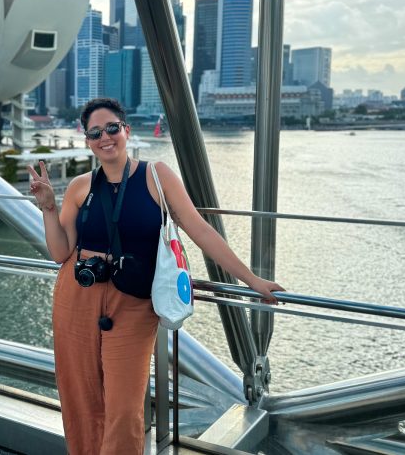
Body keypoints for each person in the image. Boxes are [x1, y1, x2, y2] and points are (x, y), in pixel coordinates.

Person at [28, 97, 284, 454]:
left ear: (126, 130)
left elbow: (201, 230)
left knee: (124, 407)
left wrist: (250, 279)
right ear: (87, 140)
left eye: (112, 128)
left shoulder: (156, 176)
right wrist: (48, 208)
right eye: (95, 132)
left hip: (133, 302)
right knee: (80, 398)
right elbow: (60, 252)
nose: (105, 137)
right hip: (77, 295)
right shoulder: (80, 186)